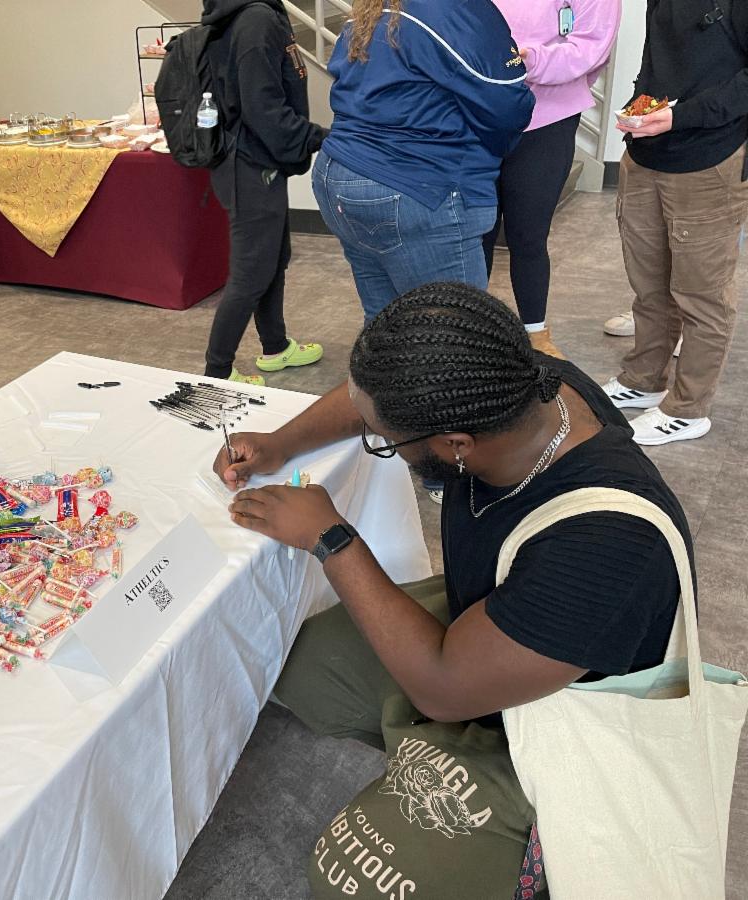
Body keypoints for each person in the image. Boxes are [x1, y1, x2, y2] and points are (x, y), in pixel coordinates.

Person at [212, 282, 690, 899]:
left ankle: (527, 844)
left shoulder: (606, 547)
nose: (376, 434)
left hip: (570, 714)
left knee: (346, 880)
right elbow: (377, 395)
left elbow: (444, 689)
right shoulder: (517, 383)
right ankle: (425, 750)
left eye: (385, 439)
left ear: (456, 446)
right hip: (497, 612)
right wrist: (283, 442)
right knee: (295, 663)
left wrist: (333, 540)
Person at [313, 0, 534, 323]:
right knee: (454, 339)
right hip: (416, 187)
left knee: (385, 328)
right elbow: (509, 108)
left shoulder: (376, 8)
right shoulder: (460, 10)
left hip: (341, 174)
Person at [600, 0, 748, 446]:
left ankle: (688, 409)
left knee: (701, 297)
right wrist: (639, 105)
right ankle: (644, 381)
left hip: (712, 157)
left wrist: (680, 117)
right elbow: (659, 57)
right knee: (649, 286)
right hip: (646, 151)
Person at [199, 0, 327, 386]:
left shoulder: (254, 14)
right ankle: (216, 374)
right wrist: (319, 137)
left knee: (274, 258)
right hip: (250, 165)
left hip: (255, 161)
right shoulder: (255, 20)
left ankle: (275, 346)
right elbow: (262, 109)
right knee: (251, 273)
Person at [484, 0, 621, 359]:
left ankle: (535, 335)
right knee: (474, 231)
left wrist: (530, 62)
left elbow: (592, 47)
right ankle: (470, 331)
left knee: (528, 235)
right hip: (478, 112)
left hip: (547, 118)